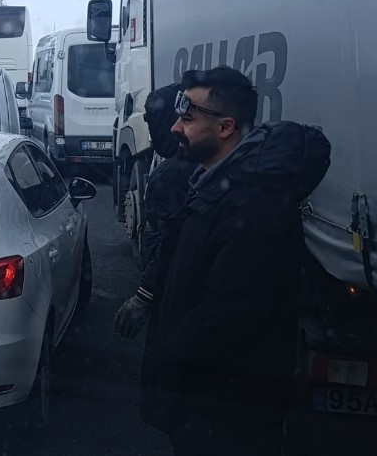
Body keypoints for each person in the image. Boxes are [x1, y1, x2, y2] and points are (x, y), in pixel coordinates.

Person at [150, 66, 331, 456]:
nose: (176, 129)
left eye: (187, 118)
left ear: (225, 127)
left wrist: (173, 360)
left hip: (226, 414)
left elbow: (229, 313)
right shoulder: (217, 188)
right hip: (210, 407)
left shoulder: (252, 206)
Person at [112, 82, 199, 427]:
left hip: (174, 303)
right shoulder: (204, 165)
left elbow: (168, 244)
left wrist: (144, 297)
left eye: (152, 121)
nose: (150, 130)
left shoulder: (169, 175)